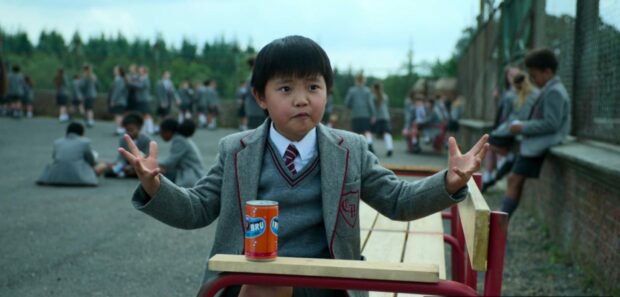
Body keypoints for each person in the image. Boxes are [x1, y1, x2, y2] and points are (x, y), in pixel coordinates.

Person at [119, 35, 489, 297]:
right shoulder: (237, 150)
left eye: (313, 87)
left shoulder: (351, 149)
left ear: (327, 91)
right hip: (250, 279)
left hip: (327, 283)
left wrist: (449, 181)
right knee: (265, 288)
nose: (301, 100)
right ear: (260, 98)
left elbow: (397, 200)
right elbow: (197, 209)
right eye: (285, 89)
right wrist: (155, 187)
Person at [501, 48, 571, 218]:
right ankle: (502, 219)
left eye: (534, 75)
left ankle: (501, 221)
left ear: (547, 72)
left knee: (514, 179)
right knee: (513, 179)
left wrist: (523, 127)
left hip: (542, 143)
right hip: (535, 143)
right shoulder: (550, 88)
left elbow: (551, 123)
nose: (532, 79)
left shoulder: (554, 91)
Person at [482, 72, 539, 192]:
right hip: (518, 128)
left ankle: (507, 156)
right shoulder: (534, 93)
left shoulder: (512, 95)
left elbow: (506, 114)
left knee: (488, 142)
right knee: (489, 143)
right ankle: (499, 165)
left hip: (513, 128)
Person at [482, 66, 519, 188]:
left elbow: (510, 114)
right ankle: (488, 176)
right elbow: (502, 112)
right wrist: (497, 99)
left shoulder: (516, 93)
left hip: (509, 128)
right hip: (502, 127)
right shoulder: (508, 92)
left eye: (515, 75)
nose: (512, 78)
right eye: (510, 76)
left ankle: (505, 157)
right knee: (488, 148)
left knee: (488, 143)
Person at [37, 122, 99, 186]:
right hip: (79, 177)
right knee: (102, 166)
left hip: (56, 177)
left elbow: (54, 157)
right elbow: (91, 161)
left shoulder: (57, 142)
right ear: (82, 133)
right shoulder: (85, 142)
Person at [99, 113, 151, 178]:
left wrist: (133, 166)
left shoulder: (145, 140)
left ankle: (126, 174)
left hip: (140, 164)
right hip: (125, 164)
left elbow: (146, 156)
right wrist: (121, 166)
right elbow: (121, 157)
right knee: (109, 170)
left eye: (131, 130)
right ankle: (124, 173)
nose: (129, 132)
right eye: (127, 130)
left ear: (139, 128)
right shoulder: (123, 139)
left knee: (143, 171)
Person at [158, 118, 205, 187]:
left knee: (160, 179)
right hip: (189, 172)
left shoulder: (179, 140)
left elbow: (171, 161)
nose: (160, 135)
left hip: (191, 175)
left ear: (168, 131)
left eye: (161, 132)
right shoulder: (181, 138)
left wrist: (155, 164)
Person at [345, 73, 376, 152]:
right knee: (367, 131)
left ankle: (355, 149)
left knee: (355, 132)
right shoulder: (367, 90)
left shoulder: (351, 90)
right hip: (366, 114)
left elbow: (347, 103)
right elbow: (370, 104)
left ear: (356, 80)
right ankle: (370, 145)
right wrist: (373, 115)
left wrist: (353, 106)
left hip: (355, 114)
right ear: (364, 80)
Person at [371, 81, 394, 157]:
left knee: (372, 133)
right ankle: (390, 148)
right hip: (385, 117)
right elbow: (387, 107)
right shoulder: (385, 96)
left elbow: (372, 108)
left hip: (377, 117)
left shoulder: (373, 97)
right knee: (386, 133)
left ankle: (370, 147)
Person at [243, 57, 267, 129]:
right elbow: (254, 94)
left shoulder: (254, 77)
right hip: (255, 110)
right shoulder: (252, 78)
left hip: (257, 109)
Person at [109, 65, 128, 135]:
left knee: (118, 115)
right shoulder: (121, 79)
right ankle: (120, 129)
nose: (114, 71)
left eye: (115, 70)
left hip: (119, 101)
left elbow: (117, 91)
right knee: (120, 115)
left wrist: (113, 100)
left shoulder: (118, 79)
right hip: (121, 100)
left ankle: (119, 129)